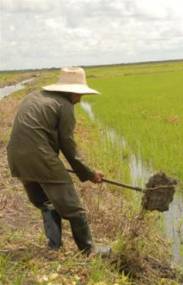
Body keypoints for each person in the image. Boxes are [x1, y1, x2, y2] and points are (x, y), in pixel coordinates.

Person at [7, 67, 110, 256]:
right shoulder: (64, 105)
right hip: (40, 157)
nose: (80, 99)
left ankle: (53, 247)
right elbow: (69, 147)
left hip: (16, 157)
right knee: (74, 208)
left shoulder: (34, 96)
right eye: (79, 94)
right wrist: (89, 173)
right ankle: (89, 251)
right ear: (71, 91)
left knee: (46, 202)